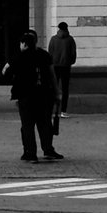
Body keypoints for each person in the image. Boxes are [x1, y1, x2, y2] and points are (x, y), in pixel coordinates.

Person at [10, 27, 62, 162]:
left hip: (26, 97)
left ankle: (30, 153)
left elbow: (6, 71)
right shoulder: (44, 55)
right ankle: (48, 149)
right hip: (44, 95)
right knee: (45, 124)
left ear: (24, 43)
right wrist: (57, 93)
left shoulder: (19, 57)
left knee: (27, 125)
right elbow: (52, 75)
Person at [49, 21, 78, 118]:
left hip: (55, 66)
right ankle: (63, 111)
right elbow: (73, 53)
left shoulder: (53, 39)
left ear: (58, 28)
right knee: (65, 89)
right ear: (66, 28)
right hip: (66, 66)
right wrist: (70, 62)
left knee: (53, 88)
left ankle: (52, 109)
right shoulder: (70, 40)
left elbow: (50, 52)